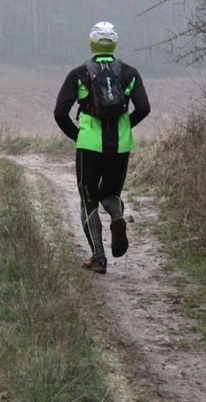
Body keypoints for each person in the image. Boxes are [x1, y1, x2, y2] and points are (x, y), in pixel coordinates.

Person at [53, 21, 151, 274]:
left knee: (88, 200)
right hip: (120, 145)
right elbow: (144, 108)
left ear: (92, 43)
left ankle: (98, 257)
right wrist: (125, 126)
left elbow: (60, 113)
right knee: (110, 194)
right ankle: (117, 218)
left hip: (89, 146)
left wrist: (79, 136)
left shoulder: (78, 75)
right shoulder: (129, 73)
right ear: (115, 43)